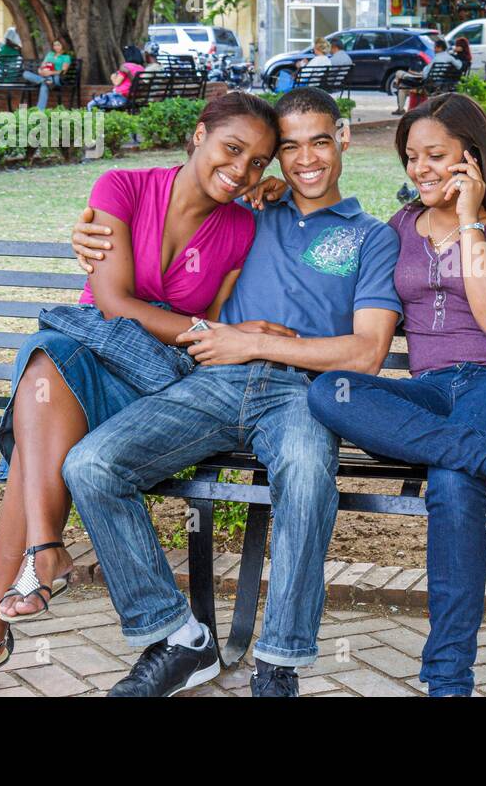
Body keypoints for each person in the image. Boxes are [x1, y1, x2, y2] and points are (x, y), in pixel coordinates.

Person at [0, 92, 280, 698]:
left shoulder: (241, 224)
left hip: (151, 377)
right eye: (232, 149)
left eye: (259, 162)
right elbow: (113, 304)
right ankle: (35, 566)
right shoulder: (122, 187)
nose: (241, 170)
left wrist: (215, 327)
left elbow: (202, 319)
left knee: (37, 424)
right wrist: (208, 331)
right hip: (90, 347)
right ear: (199, 133)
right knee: (48, 369)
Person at [62, 87, 402, 698]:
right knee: (91, 464)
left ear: (344, 139)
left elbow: (365, 352)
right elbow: (157, 225)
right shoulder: (245, 211)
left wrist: (255, 345)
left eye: (320, 141)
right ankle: (176, 636)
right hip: (211, 380)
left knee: (304, 473)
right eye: (289, 149)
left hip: (303, 393)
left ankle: (277, 664)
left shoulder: (372, 238)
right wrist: (83, 233)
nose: (305, 160)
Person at [307, 92, 486, 697]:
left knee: (448, 481)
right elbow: (333, 271)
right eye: (412, 157)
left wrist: (471, 220)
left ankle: (447, 683)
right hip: (428, 391)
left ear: (472, 157)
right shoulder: (398, 227)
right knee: (329, 392)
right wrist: (274, 201)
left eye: (436, 156)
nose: (420, 169)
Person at [393, 37, 461, 115]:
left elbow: (425, 75)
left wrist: (416, 73)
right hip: (437, 82)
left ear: (439, 48)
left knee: (399, 74)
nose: (434, 49)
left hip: (427, 84)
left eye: (435, 47)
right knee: (402, 85)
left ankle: (397, 88)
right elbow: (459, 66)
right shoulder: (450, 58)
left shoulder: (436, 59)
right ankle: (397, 85)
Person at [86, 45, 144, 110]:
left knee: (90, 105)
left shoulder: (126, 67)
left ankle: (89, 120)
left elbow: (116, 82)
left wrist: (112, 76)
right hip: (132, 98)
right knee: (102, 105)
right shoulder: (141, 68)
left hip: (119, 97)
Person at [21, 39, 73, 110]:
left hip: (56, 77)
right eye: (55, 45)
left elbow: (63, 71)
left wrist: (51, 72)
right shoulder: (50, 54)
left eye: (58, 45)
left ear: (63, 45)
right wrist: (40, 71)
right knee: (25, 73)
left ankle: (39, 112)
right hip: (46, 76)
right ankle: (46, 81)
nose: (56, 47)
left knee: (44, 85)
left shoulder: (66, 57)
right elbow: (42, 66)